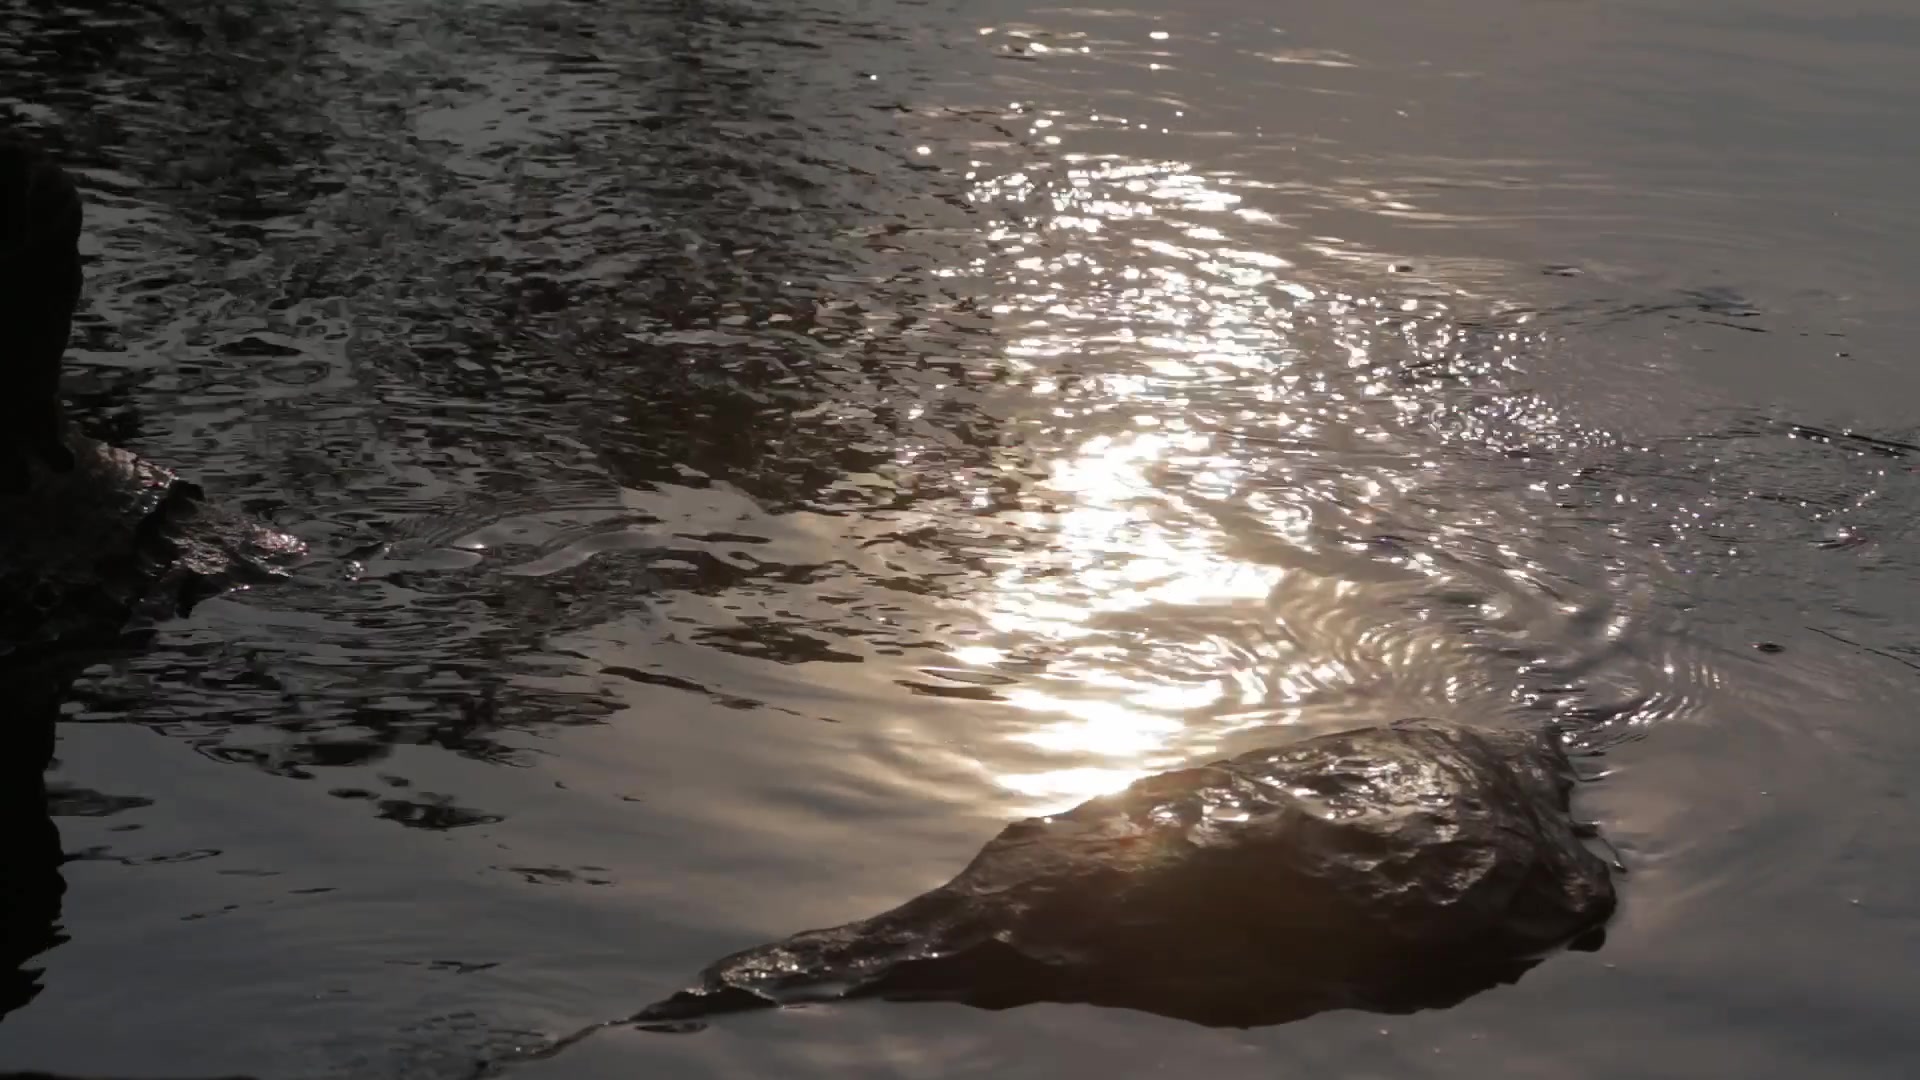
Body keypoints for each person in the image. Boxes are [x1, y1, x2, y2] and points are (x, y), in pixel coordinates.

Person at [0, 137, 83, 492]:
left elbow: (50, 317)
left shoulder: (54, 197)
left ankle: (34, 409)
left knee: (40, 317)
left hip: (44, 244)